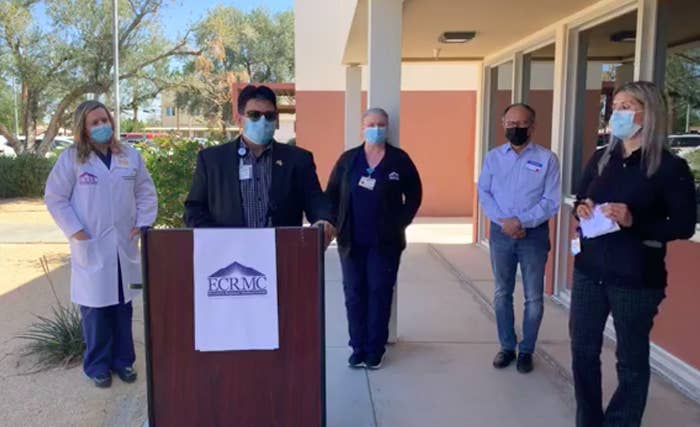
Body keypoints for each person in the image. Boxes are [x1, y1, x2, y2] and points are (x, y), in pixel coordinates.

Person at [570, 81, 697, 427]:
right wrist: (581, 209)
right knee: (582, 352)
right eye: (616, 106)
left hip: (636, 278)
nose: (618, 113)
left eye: (627, 106)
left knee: (630, 360)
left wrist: (633, 220)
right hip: (589, 272)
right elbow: (580, 200)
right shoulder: (601, 158)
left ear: (649, 112)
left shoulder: (669, 168)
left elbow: (683, 225)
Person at [45, 100, 158, 388]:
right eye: (94, 122)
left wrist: (142, 223)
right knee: (95, 310)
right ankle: (97, 366)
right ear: (83, 128)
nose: (102, 126)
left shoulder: (129, 156)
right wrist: (77, 232)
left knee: (123, 306)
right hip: (91, 244)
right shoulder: (71, 159)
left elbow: (145, 191)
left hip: (125, 244)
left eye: (104, 120)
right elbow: (55, 198)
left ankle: (124, 362)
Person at [326, 108, 422, 369]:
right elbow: (331, 194)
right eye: (371, 124)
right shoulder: (348, 160)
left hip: (385, 243)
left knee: (379, 292)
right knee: (354, 294)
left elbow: (414, 195)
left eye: (381, 124)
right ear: (362, 127)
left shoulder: (399, 160)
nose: (376, 128)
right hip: (351, 241)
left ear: (387, 128)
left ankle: (375, 349)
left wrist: (400, 222)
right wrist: (334, 224)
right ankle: (357, 348)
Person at [184, 85, 335, 244]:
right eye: (254, 115)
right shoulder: (212, 160)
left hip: (283, 253)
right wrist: (216, 238)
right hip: (230, 254)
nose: (262, 121)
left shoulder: (298, 159)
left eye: (269, 115)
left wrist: (323, 220)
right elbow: (194, 209)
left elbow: (315, 199)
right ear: (239, 119)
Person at [477, 103, 561, 373]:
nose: (515, 128)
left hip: (533, 236)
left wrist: (521, 222)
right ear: (503, 125)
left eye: (521, 124)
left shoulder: (548, 159)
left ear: (533, 126)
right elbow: (485, 194)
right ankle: (506, 346)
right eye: (510, 124)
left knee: (533, 297)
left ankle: (526, 350)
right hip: (501, 234)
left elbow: (551, 200)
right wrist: (506, 222)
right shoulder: (493, 157)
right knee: (502, 293)